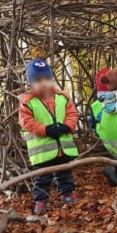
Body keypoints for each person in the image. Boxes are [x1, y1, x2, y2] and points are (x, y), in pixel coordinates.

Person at [19, 59, 80, 214]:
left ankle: (67, 193)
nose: (44, 83)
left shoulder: (63, 97)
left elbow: (72, 114)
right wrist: (45, 129)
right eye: (38, 80)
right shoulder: (28, 102)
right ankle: (41, 200)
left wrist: (67, 126)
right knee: (42, 178)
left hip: (62, 149)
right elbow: (26, 122)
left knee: (64, 172)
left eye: (47, 79)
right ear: (31, 83)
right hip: (42, 151)